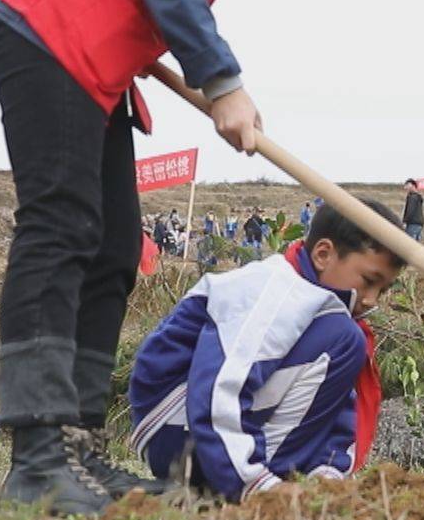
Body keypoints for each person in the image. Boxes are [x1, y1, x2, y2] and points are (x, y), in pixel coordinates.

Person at [0, 0, 400, 514]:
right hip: (45, 20)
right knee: (61, 225)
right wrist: (223, 82)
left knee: (113, 244)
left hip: (91, 51)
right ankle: (37, 456)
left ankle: (77, 450)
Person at [126, 201, 405, 502]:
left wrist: (330, 476)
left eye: (383, 290)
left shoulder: (320, 310)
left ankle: (298, 479)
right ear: (323, 254)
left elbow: (336, 407)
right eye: (369, 282)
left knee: (346, 342)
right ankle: (253, 479)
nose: (372, 300)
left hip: (193, 428)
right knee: (345, 338)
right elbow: (220, 389)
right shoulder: (273, 292)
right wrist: (253, 483)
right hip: (174, 428)